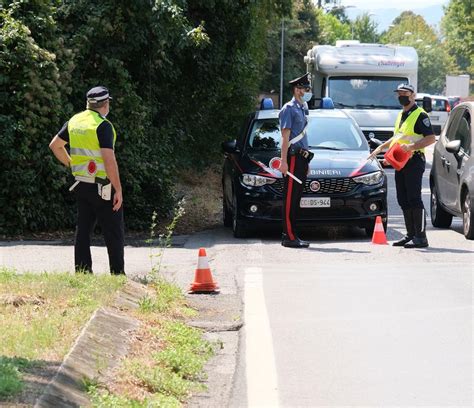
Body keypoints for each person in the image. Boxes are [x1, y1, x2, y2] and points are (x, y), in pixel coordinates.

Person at [49, 86, 125, 274]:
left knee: (83, 230)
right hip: (103, 186)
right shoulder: (103, 125)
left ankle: (82, 272)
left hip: (81, 184)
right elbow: (109, 160)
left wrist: (72, 165)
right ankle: (117, 274)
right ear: (105, 104)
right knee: (113, 231)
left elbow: (55, 146)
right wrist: (118, 189)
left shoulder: (75, 121)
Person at [369, 83, 436, 248]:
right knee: (403, 199)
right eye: (399, 93)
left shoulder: (420, 115)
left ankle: (421, 237)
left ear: (413, 95)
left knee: (414, 198)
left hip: (414, 161)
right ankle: (410, 235)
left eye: (405, 93)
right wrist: (381, 149)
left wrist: (412, 147)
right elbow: (398, 139)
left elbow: (431, 138)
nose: (401, 96)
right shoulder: (401, 114)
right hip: (401, 162)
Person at [279, 73, 314, 248]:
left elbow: (304, 137)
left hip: (301, 158)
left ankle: (293, 234)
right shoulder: (289, 109)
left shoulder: (302, 108)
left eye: (307, 89)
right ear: (296, 89)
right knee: (290, 199)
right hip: (292, 158)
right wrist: (283, 162)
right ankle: (289, 236)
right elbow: (285, 138)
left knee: (296, 199)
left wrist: (307, 162)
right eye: (303, 89)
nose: (306, 92)